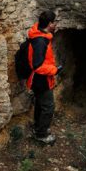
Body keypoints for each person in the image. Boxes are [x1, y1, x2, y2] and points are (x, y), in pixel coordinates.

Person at [26, 10, 62, 144]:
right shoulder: (40, 41)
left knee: (41, 105)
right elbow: (37, 66)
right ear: (49, 24)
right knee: (48, 107)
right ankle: (41, 135)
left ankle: (38, 128)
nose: (55, 24)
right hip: (41, 80)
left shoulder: (40, 34)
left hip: (41, 79)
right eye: (54, 22)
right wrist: (54, 70)